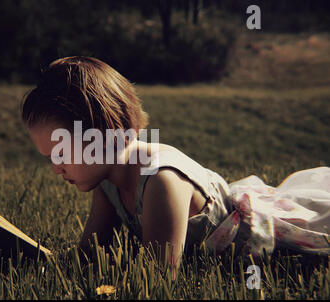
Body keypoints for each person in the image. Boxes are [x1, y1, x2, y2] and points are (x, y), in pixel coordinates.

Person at [21, 56, 330, 269]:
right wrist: (32, 257)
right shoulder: (106, 182)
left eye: (61, 153)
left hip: (268, 250)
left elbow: (158, 276)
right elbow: (88, 253)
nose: (55, 168)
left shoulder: (161, 180)